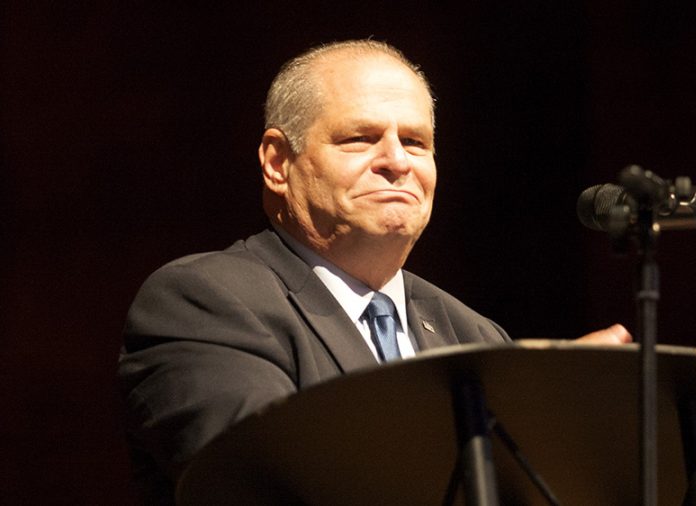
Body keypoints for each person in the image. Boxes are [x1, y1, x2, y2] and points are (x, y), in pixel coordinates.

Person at [118, 39, 631, 504]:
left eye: (415, 142)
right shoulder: (203, 301)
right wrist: (517, 416)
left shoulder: (473, 334)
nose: (396, 161)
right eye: (360, 139)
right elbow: (270, 482)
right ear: (278, 161)